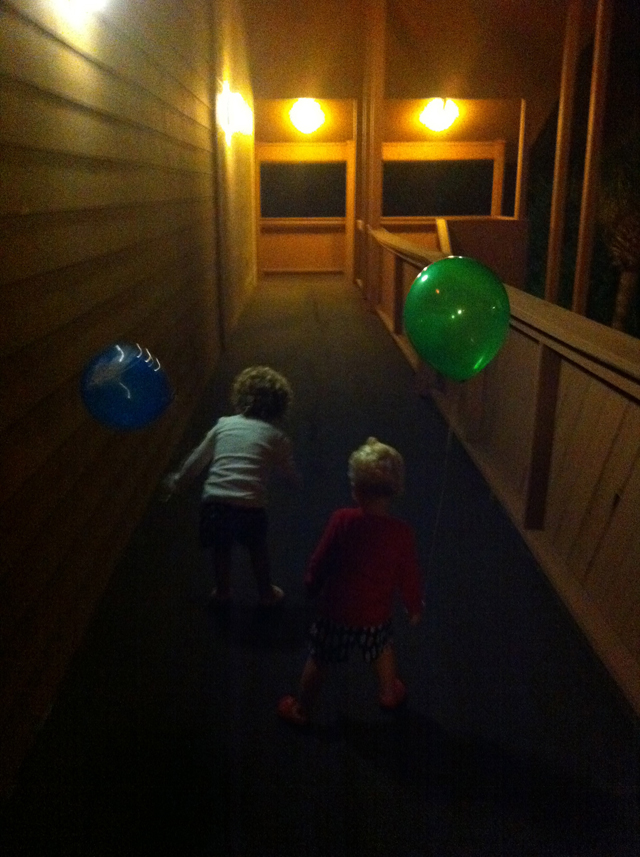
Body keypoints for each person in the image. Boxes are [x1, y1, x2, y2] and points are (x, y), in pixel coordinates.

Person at [278, 437, 423, 726]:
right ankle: (388, 693)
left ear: (355, 490)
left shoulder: (342, 520)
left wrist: (312, 583)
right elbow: (409, 574)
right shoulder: (402, 533)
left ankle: (302, 709)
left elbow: (321, 558)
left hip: (336, 613)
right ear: (397, 490)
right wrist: (413, 605)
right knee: (382, 649)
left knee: (320, 658)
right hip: (375, 616)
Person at [162, 365, 300, 607]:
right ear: (280, 405)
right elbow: (287, 470)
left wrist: (177, 482)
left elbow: (197, 459)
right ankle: (266, 593)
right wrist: (295, 481)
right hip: (251, 506)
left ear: (240, 396)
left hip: (215, 502)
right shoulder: (277, 437)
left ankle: (223, 590)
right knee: (257, 549)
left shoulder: (224, 424)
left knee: (221, 548)